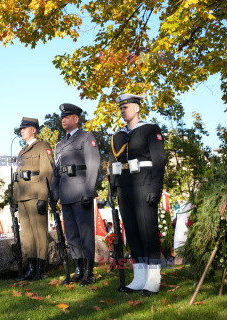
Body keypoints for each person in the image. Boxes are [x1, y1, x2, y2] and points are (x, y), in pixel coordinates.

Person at [108, 93, 166, 296]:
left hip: (145, 185)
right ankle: (140, 277)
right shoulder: (118, 135)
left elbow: (159, 160)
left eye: (126, 107)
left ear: (137, 108)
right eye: (121, 108)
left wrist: (156, 188)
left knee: (147, 232)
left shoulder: (150, 129)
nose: (123, 111)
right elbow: (112, 163)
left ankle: (153, 279)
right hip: (125, 187)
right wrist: (112, 188)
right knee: (132, 232)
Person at [50, 103, 101, 285]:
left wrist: (88, 190)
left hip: (81, 192)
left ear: (76, 119)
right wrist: (53, 193)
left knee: (85, 233)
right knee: (71, 234)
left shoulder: (86, 137)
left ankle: (89, 272)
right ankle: (78, 270)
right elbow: (56, 171)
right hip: (65, 193)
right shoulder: (59, 145)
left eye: (67, 116)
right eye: (62, 117)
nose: (63, 120)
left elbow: (94, 164)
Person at [13, 117, 54, 281]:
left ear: (34, 130)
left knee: (39, 233)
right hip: (22, 196)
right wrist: (15, 199)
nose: (22, 131)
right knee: (28, 236)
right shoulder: (22, 151)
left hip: (36, 195)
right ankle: (30, 268)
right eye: (21, 128)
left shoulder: (43, 146)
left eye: (25, 128)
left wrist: (43, 197)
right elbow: (17, 176)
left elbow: (47, 172)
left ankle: (40, 269)